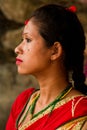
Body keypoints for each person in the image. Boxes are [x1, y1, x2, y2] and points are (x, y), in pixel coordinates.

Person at [6, 4, 87, 130]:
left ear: (55, 51)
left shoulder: (80, 113)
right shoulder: (23, 102)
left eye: (27, 40)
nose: (17, 49)